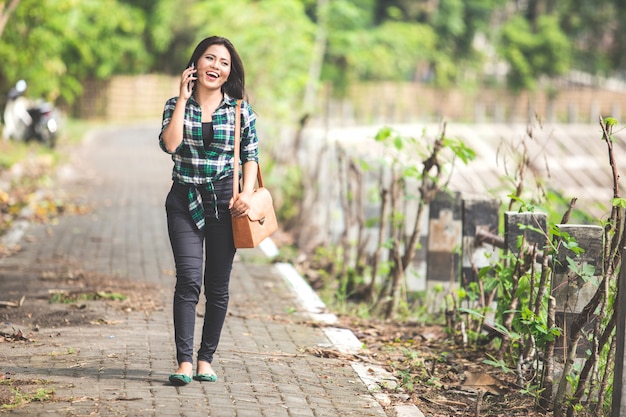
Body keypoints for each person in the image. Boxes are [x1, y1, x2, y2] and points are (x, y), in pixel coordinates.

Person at [159, 36, 259, 386]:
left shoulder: (239, 110)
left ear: (230, 72)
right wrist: (183, 99)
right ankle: (184, 362)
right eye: (209, 58)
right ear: (196, 64)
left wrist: (246, 193)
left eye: (224, 62)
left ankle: (205, 359)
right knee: (188, 279)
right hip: (184, 200)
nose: (215, 66)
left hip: (224, 203)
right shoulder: (175, 104)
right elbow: (170, 145)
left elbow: (251, 155)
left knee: (217, 285)